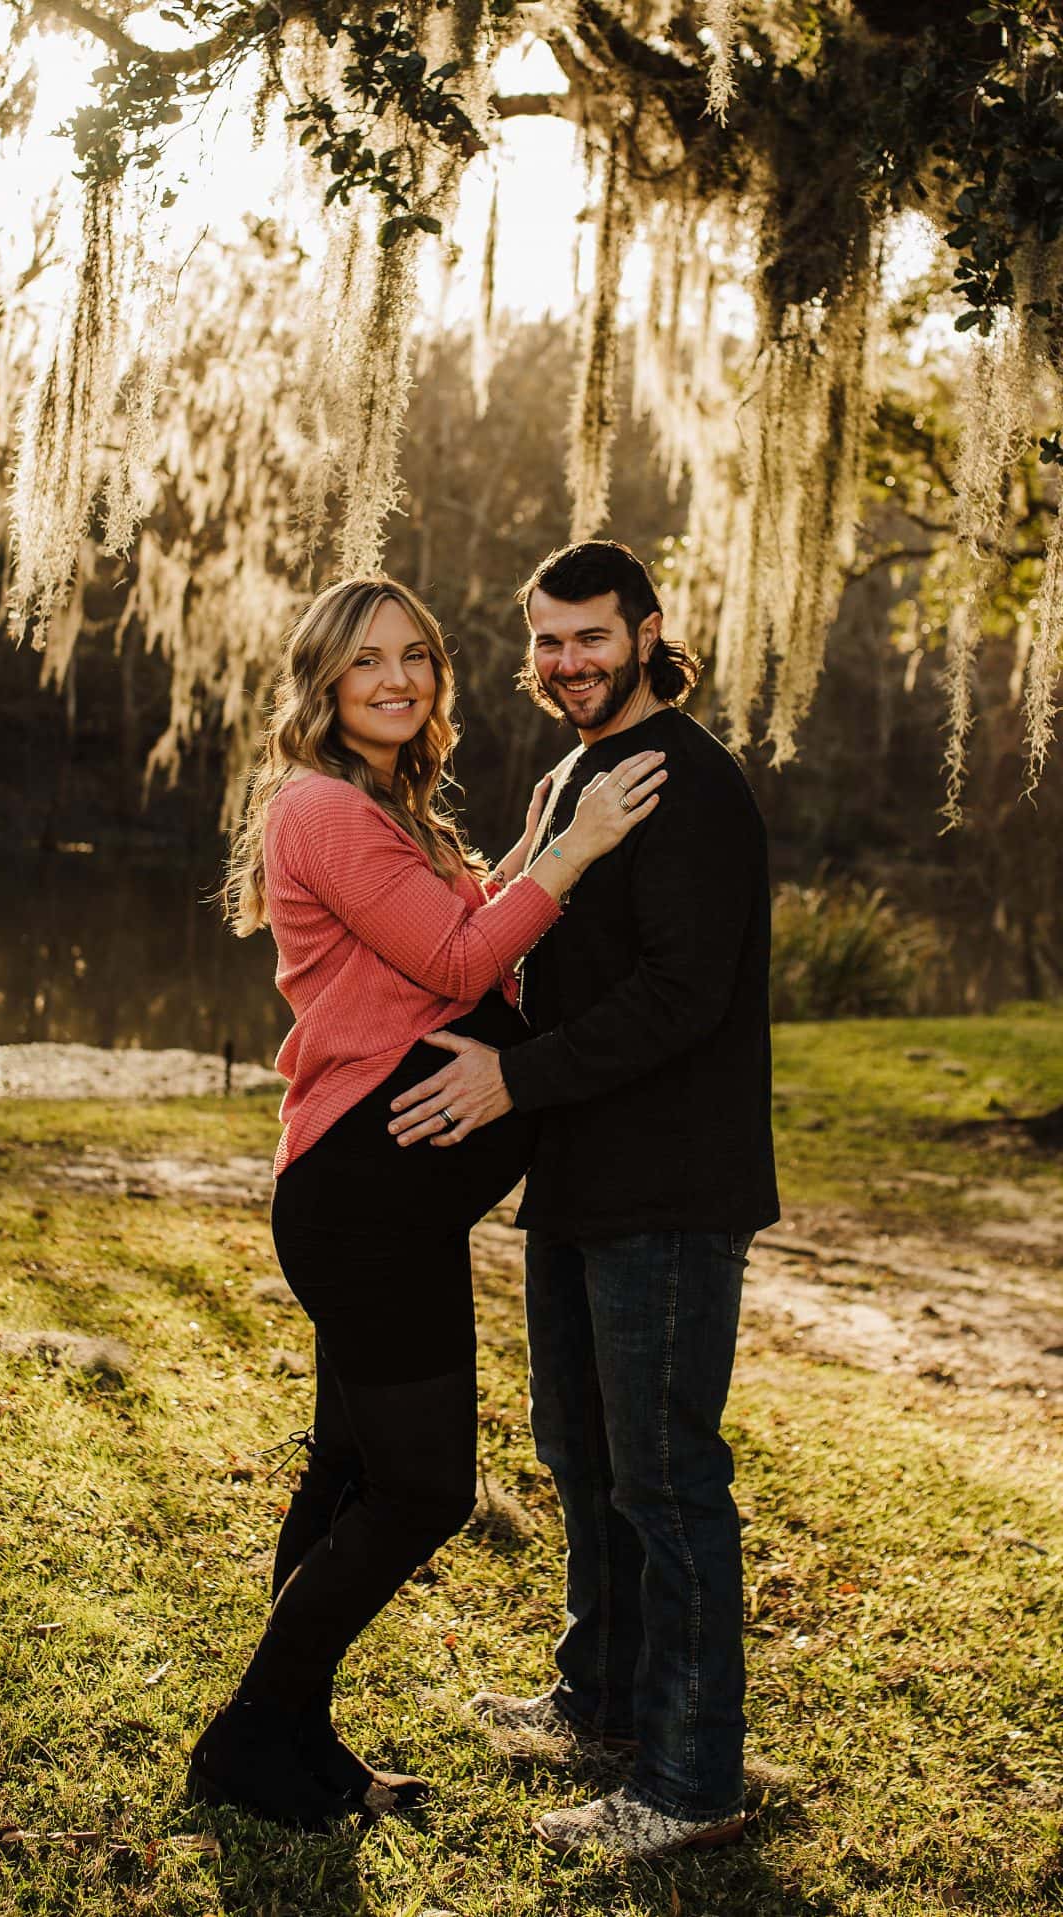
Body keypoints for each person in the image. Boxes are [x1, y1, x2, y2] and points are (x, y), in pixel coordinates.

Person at [187, 574, 667, 1830]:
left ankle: (293, 1741)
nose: (395, 680)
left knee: (347, 1473)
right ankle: (250, 1732)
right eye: (365, 662)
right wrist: (574, 850)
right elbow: (460, 962)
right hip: (363, 1204)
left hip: (379, 1204)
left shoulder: (384, 809)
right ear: (324, 683)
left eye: (415, 657)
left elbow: (461, 923)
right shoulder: (326, 812)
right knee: (422, 1491)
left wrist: (540, 830)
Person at [390, 540, 777, 1860]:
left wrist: (515, 1081)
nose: (567, 664)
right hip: (575, 1174)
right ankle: (599, 1704)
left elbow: (684, 998)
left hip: (669, 1182)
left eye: (591, 638)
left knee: (666, 1479)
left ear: (649, 631)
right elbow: (507, 918)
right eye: (548, 642)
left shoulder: (692, 786)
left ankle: (689, 1780)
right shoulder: (572, 773)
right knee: (583, 1452)